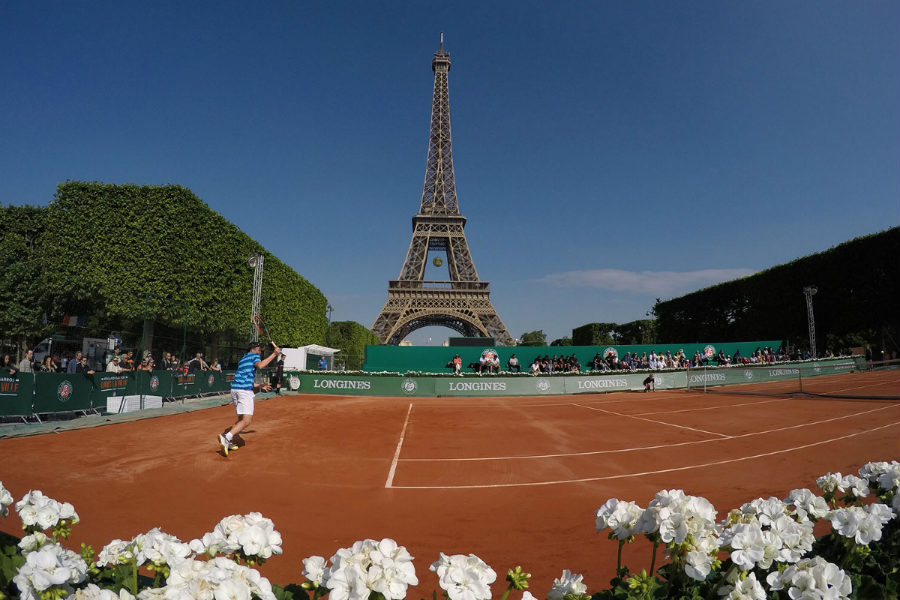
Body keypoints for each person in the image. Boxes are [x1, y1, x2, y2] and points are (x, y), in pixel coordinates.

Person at [218, 340, 281, 456]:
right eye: (258, 350)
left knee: (241, 420)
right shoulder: (253, 356)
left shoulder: (243, 359)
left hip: (235, 389)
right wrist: (274, 354)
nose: (260, 353)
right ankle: (226, 437)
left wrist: (260, 386)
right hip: (243, 392)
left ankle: (228, 440)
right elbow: (261, 365)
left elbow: (246, 379)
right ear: (253, 350)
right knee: (247, 420)